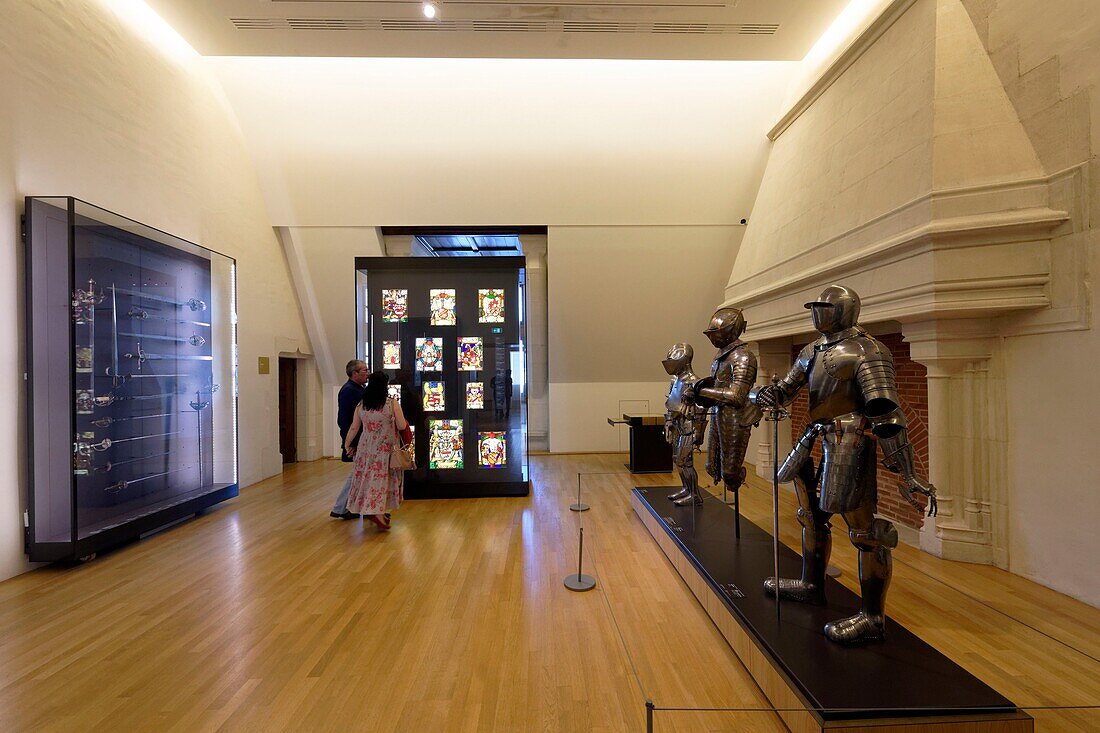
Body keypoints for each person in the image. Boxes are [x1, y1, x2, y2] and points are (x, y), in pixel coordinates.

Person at [751, 285, 937, 644]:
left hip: (850, 440)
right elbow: (788, 389)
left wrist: (908, 473)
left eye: (823, 307)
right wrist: (769, 394)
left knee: (864, 532)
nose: (816, 313)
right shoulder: (811, 350)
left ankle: (872, 616)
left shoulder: (867, 350)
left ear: (842, 310)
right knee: (810, 517)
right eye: (815, 307)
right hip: (814, 436)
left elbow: (885, 412)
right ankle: (811, 584)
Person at [344, 371, 410, 530]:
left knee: (367, 479)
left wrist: (347, 444)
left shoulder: (362, 405)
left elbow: (354, 427)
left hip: (366, 448)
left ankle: (371, 509)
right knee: (382, 480)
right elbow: (401, 425)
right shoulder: (390, 403)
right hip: (385, 448)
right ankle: (377, 512)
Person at [329, 359, 368, 519]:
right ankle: (342, 508)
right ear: (354, 373)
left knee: (359, 474)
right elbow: (344, 420)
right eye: (364, 370)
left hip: (360, 439)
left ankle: (346, 508)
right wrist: (350, 442)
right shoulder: (349, 391)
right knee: (357, 474)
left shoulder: (357, 389)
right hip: (357, 440)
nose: (368, 373)